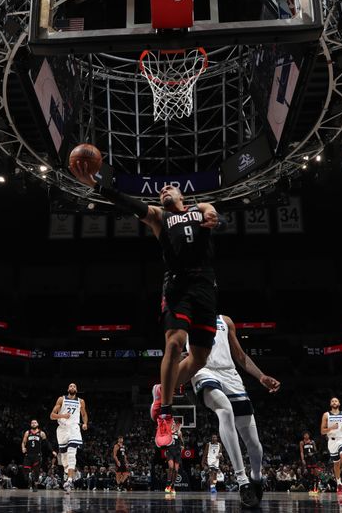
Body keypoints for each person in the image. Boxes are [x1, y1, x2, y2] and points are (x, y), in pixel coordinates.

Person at [70, 159, 226, 448]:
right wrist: (97, 185)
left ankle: (160, 389)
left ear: (183, 197)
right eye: (161, 190)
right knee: (175, 343)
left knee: (201, 356)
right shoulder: (158, 216)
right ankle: (166, 414)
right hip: (177, 285)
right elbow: (127, 202)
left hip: (205, 286)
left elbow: (210, 209)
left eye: (170, 188)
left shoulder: (199, 208)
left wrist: (213, 213)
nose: (164, 190)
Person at [188, 314, 280, 507]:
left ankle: (256, 477)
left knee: (254, 444)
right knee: (225, 409)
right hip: (203, 371)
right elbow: (176, 351)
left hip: (230, 374)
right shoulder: (184, 319)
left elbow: (239, 356)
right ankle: (242, 481)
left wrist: (261, 377)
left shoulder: (225, 321)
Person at [50, 383, 88, 493]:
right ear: (68, 389)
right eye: (70, 386)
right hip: (62, 429)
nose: (72, 387)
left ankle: (70, 481)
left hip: (74, 428)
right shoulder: (61, 399)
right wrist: (62, 416)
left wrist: (85, 423)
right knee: (64, 459)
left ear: (76, 389)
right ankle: (70, 473)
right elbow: (52, 415)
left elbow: (84, 414)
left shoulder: (81, 401)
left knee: (72, 454)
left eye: (74, 386)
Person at [320, 397, 342, 493]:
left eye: (336, 401)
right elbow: (322, 431)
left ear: (339, 403)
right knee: (336, 463)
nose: (334, 402)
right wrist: (331, 428)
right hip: (332, 441)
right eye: (332, 401)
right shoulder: (326, 415)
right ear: (330, 404)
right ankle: (338, 483)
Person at [21, 419, 54, 491]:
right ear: (30, 425)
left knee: (36, 471)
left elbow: (47, 443)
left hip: (37, 455)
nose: (33, 424)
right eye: (32, 423)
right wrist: (23, 447)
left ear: (37, 424)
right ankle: (30, 478)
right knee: (26, 470)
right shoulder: (27, 432)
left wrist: (52, 451)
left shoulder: (41, 433)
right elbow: (23, 442)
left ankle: (35, 484)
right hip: (28, 454)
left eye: (35, 422)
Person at [164, 420, 184, 495]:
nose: (173, 425)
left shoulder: (179, 432)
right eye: (171, 424)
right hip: (170, 451)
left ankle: (172, 486)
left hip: (177, 452)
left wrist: (181, 443)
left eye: (174, 424)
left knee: (176, 470)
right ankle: (168, 484)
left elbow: (182, 444)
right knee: (171, 467)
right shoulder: (167, 432)